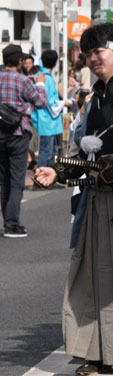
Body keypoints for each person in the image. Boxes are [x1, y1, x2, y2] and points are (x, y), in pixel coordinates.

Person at [33, 24, 113, 376]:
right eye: (87, 54)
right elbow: (80, 149)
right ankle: (95, 350)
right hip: (96, 196)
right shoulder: (93, 99)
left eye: (99, 51)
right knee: (93, 276)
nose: (93, 59)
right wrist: (59, 172)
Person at [0, 43, 48, 237]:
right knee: (17, 179)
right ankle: (12, 224)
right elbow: (41, 103)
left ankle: (8, 221)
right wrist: (40, 84)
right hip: (18, 133)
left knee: (4, 180)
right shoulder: (23, 81)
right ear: (20, 61)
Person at [33, 49, 65, 172]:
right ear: (56, 62)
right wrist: (63, 103)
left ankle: (45, 177)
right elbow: (50, 102)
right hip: (49, 120)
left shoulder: (38, 76)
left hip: (42, 119)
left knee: (50, 151)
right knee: (48, 152)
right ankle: (41, 177)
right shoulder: (48, 79)